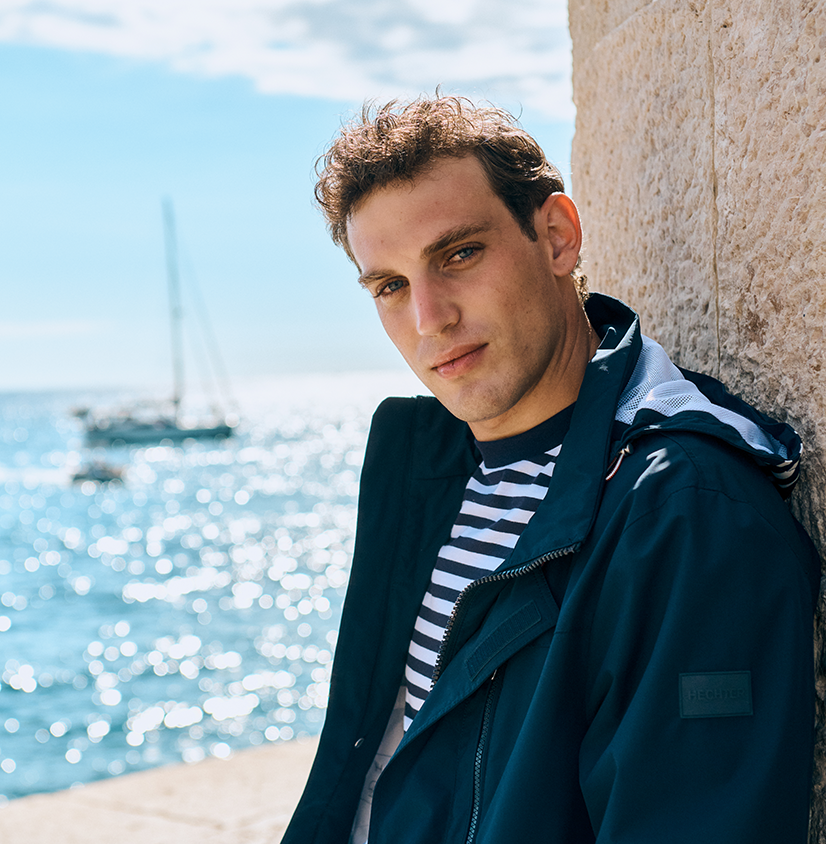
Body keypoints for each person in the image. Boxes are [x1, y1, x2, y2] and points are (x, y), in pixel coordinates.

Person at [280, 95, 820, 844]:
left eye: (459, 254)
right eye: (391, 286)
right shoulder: (421, 463)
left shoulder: (687, 516)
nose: (429, 318)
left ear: (557, 236)